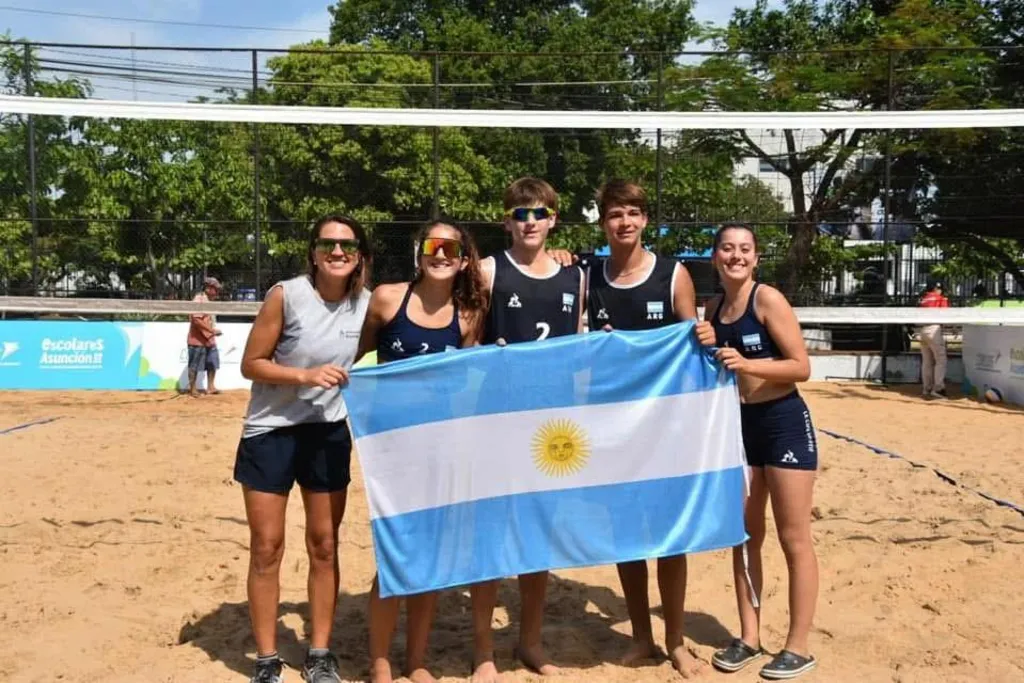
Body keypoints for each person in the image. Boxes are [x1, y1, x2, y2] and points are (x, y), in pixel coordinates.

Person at [234, 215, 373, 683]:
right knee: (267, 547)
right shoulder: (286, 295)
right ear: (313, 253)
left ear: (360, 254)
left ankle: (319, 654)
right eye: (327, 244)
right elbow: (251, 364)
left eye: (347, 244)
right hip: (270, 431)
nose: (337, 252)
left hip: (327, 433)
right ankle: (267, 660)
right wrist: (304, 376)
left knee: (325, 545)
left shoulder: (367, 305)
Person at [355, 219, 489, 683]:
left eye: (451, 249)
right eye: (433, 245)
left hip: (440, 447)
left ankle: (415, 661)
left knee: (429, 556)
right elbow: (355, 360)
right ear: (420, 251)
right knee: (395, 553)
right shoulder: (387, 299)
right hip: (391, 450)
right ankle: (380, 661)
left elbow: (467, 380)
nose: (441, 255)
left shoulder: (467, 315)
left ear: (464, 261)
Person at [584, 180, 705, 677]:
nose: (625, 222)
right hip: (613, 427)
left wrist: (707, 335)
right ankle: (640, 636)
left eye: (633, 212)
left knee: (670, 537)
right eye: (616, 214)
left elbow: (694, 348)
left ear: (645, 220)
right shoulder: (588, 276)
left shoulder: (673, 275)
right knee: (627, 536)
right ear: (603, 223)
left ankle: (675, 640)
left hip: (666, 427)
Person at [470, 177, 585, 683]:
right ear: (507, 222)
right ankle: (482, 651)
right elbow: (468, 342)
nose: (530, 222)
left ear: (553, 219)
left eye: (539, 213)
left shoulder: (575, 275)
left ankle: (530, 642)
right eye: (521, 214)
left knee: (539, 536)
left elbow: (581, 346)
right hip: (496, 421)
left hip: (551, 427)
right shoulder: (488, 270)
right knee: (491, 536)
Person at [697, 224, 819, 681]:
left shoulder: (766, 299)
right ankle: (749, 637)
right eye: (728, 248)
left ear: (756, 257)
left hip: (783, 423)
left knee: (794, 537)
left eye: (745, 249)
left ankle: (797, 646)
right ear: (715, 257)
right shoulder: (713, 309)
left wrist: (747, 363)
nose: (736, 256)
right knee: (745, 535)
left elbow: (801, 367)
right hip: (739, 427)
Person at [186, 276, 223, 397]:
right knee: (194, 365)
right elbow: (196, 320)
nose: (217, 292)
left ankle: (210, 387)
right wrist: (211, 330)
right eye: (216, 289)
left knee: (212, 363)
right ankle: (192, 389)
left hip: (209, 339)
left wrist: (211, 332)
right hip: (197, 340)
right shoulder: (199, 299)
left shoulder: (209, 302)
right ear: (208, 288)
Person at [918, 278, 950, 399]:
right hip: (934, 329)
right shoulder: (940, 298)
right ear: (936, 288)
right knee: (941, 360)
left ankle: (926, 388)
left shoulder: (923, 299)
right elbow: (945, 314)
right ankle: (938, 389)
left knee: (927, 361)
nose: (941, 291)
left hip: (923, 330)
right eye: (940, 288)